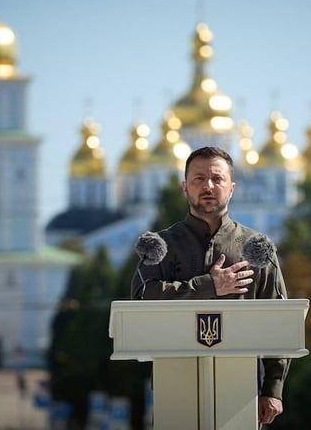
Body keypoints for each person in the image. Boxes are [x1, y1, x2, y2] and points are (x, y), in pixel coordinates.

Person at [131, 146, 290, 426]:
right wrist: (209, 285)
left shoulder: (257, 247)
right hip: (175, 386)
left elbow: (278, 320)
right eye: (198, 179)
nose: (208, 186)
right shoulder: (160, 246)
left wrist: (273, 388)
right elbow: (141, 300)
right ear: (185, 188)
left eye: (217, 179)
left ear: (232, 188)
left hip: (242, 390)